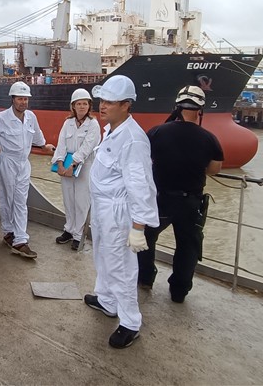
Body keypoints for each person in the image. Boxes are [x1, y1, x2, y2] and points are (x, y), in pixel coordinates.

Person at [83, 75, 159, 349]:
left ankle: (130, 322)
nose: (102, 106)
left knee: (121, 268)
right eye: (101, 100)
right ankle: (106, 301)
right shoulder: (112, 130)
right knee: (102, 257)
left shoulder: (133, 140)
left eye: (110, 102)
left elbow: (141, 186)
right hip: (104, 210)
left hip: (117, 212)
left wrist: (139, 227)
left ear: (126, 105)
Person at [137, 85, 223, 303]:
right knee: (187, 247)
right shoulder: (209, 138)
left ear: (176, 106)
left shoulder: (156, 132)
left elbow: (143, 159)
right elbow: (214, 169)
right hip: (190, 202)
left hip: (160, 199)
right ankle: (179, 291)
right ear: (200, 109)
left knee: (146, 238)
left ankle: (145, 278)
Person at [0, 81, 54, 259]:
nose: (23, 102)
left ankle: (20, 239)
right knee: (8, 198)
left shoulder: (31, 117)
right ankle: (9, 232)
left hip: (23, 163)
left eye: (26, 99)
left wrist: (44, 146)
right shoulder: (0, 118)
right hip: (7, 162)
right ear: (13, 99)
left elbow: (37, 135)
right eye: (20, 98)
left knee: (20, 200)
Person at [50, 88, 100, 250]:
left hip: (84, 167)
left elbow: (87, 147)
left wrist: (73, 164)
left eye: (85, 103)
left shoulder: (93, 124)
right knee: (68, 200)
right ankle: (69, 230)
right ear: (73, 106)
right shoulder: (68, 123)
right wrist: (59, 163)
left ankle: (78, 235)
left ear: (89, 106)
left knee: (81, 201)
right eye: (79, 104)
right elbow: (61, 144)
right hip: (66, 165)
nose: (82, 107)